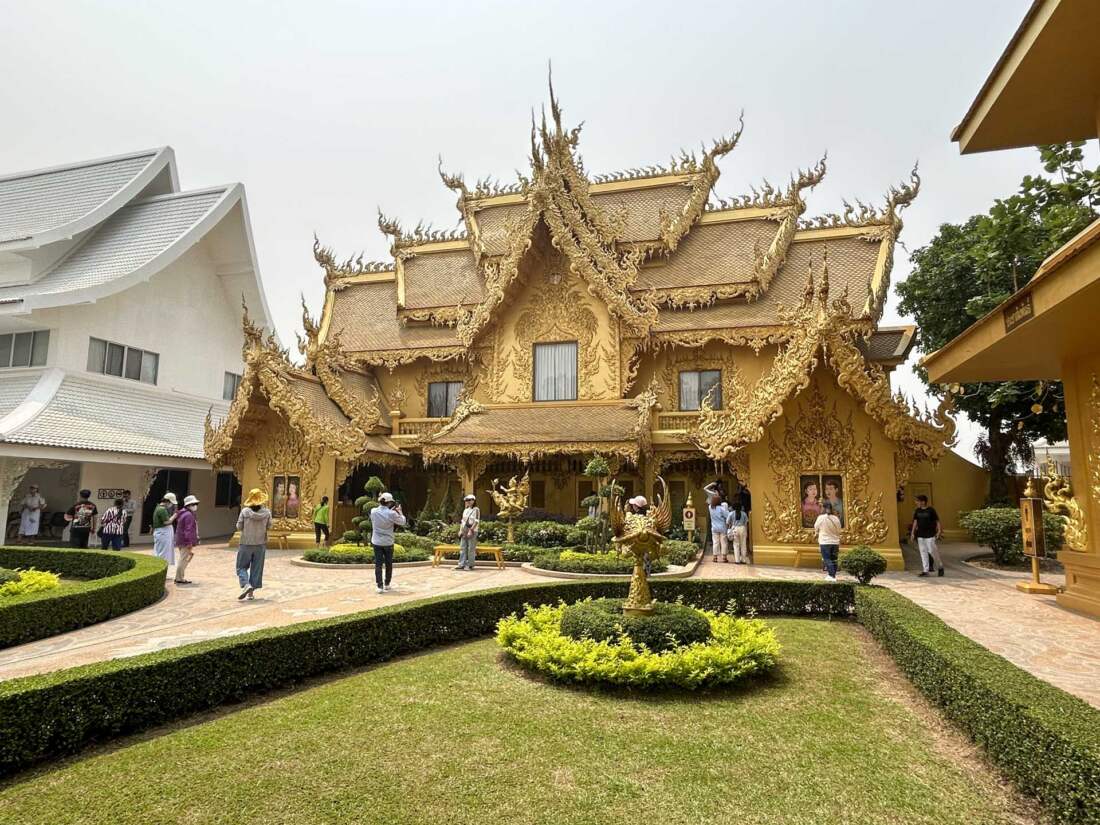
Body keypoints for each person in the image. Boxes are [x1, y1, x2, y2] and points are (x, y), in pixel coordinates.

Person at [236, 488, 272, 600]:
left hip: (246, 542)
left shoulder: (245, 512)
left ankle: (246, 585)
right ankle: (251, 593)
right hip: (260, 543)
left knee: (241, 567)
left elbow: (239, 527)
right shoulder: (267, 513)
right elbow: (269, 526)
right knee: (256, 568)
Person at [369, 492, 406, 594]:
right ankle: (387, 584)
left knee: (378, 564)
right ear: (389, 503)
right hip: (388, 542)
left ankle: (379, 586)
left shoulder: (373, 511)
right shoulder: (392, 514)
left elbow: (376, 515)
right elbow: (403, 522)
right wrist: (400, 512)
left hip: (376, 541)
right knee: (388, 564)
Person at [910, 494, 944, 577]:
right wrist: (912, 533)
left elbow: (937, 521)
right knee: (923, 552)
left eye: (917, 501)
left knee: (932, 551)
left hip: (930, 534)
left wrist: (939, 530)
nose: (916, 502)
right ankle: (925, 570)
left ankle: (940, 566)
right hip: (920, 534)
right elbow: (915, 522)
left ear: (923, 502)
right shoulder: (917, 511)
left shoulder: (931, 510)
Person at [174, 495, 200, 584]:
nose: (195, 506)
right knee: (183, 559)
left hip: (181, 540)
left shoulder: (183, 513)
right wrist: (189, 542)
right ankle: (179, 578)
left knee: (183, 558)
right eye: (194, 504)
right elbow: (188, 530)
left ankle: (180, 577)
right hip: (185, 541)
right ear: (189, 505)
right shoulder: (188, 515)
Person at [813, 501, 843, 582]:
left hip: (825, 541)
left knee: (827, 558)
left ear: (823, 508)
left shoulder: (821, 518)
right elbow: (839, 530)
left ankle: (831, 575)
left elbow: (816, 527)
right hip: (835, 542)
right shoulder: (836, 518)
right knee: (834, 559)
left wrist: (817, 532)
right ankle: (833, 575)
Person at [456, 493, 480, 571]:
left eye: (470, 500)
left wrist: (471, 530)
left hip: (472, 530)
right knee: (463, 547)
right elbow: (463, 521)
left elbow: (476, 521)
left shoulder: (476, 509)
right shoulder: (465, 510)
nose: (468, 501)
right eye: (467, 500)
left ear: (473, 500)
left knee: (471, 548)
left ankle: (470, 565)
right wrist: (460, 530)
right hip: (464, 529)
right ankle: (461, 564)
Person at [151, 494, 176, 567]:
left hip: (161, 533)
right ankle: (161, 569)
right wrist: (174, 516)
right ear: (168, 501)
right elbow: (166, 522)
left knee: (160, 552)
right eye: (171, 503)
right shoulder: (162, 509)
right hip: (163, 533)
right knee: (163, 553)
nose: (171, 505)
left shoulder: (159, 508)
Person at [706, 492, 731, 563]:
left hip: (714, 527)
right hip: (722, 527)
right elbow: (728, 515)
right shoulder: (721, 508)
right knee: (724, 542)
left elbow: (709, 502)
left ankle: (715, 557)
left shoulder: (710, 508)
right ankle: (724, 557)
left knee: (715, 542)